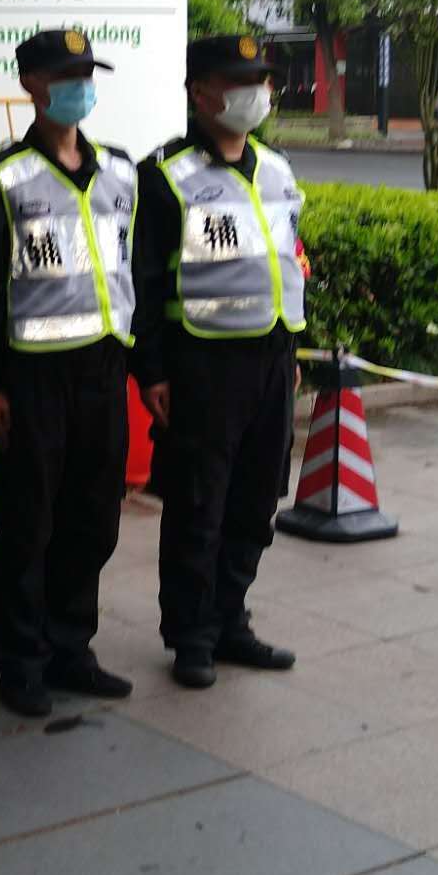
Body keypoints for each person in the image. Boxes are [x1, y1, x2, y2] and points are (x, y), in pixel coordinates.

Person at [0, 28, 137, 717]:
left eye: (87, 75)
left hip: (102, 367)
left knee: (93, 519)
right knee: (28, 523)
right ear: (30, 85)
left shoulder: (119, 172)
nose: (80, 87)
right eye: (66, 76)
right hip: (34, 378)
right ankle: (20, 661)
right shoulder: (0, 181)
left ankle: (71, 647)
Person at [132, 34, 307, 691]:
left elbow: (287, 261)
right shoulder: (165, 176)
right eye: (239, 82)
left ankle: (230, 619)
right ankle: (191, 636)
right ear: (200, 93)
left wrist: (292, 347)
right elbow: (144, 283)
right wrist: (152, 371)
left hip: (270, 357)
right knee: (198, 505)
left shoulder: (276, 168)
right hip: (203, 363)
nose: (254, 94)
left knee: (257, 499)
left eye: (261, 81)